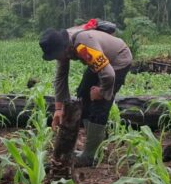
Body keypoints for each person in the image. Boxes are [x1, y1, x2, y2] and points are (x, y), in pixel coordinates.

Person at [39, 23, 133, 166]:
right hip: (103, 60)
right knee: (83, 93)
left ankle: (89, 156)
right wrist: (59, 109)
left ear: (64, 48)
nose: (58, 59)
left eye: (57, 56)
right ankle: (93, 146)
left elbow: (109, 74)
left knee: (99, 105)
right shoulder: (63, 45)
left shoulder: (83, 47)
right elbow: (60, 78)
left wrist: (101, 92)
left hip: (118, 60)